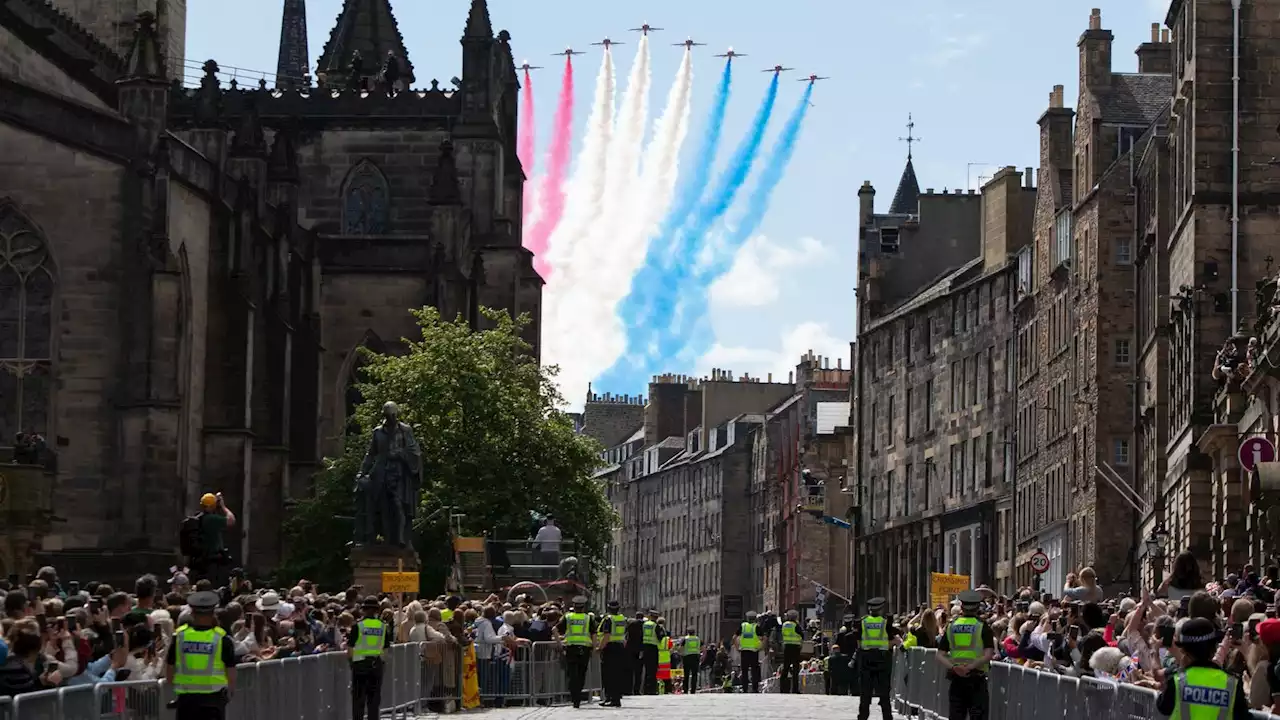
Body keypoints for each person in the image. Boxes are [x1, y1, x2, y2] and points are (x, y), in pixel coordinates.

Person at [1156, 616, 1252, 720]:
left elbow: (1163, 708)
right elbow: (1243, 716)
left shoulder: (1177, 680)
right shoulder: (1232, 683)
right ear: (1214, 647)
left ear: (1183, 650)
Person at [165, 591, 236, 720]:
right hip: (213, 701)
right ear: (213, 612)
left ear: (191, 613)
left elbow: (169, 671)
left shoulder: (179, 637)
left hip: (186, 702)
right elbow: (231, 674)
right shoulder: (222, 639)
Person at [936, 591, 996, 720]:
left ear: (962, 607)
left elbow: (940, 655)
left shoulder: (951, 626)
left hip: (956, 679)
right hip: (976, 679)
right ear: (978, 607)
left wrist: (954, 668)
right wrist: (969, 667)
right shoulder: (982, 626)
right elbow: (988, 654)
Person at [855, 597, 901, 720]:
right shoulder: (885, 623)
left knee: (865, 694)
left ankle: (863, 717)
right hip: (882, 660)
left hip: (866, 660)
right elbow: (894, 640)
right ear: (881, 609)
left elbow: (859, 643)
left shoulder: (862, 622)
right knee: (884, 694)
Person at [348, 596, 391, 720]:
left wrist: (351, 663)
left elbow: (350, 648)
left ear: (364, 610)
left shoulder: (358, 626)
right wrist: (382, 664)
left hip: (360, 665)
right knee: (374, 701)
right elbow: (386, 650)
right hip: (376, 665)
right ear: (377, 610)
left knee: (358, 700)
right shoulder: (383, 627)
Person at [559, 596, 594, 709]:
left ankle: (575, 698)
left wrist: (560, 643)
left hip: (571, 648)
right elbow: (593, 634)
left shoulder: (568, 617)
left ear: (573, 607)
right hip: (585, 648)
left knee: (572, 674)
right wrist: (594, 647)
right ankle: (578, 695)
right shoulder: (588, 618)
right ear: (583, 607)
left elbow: (555, 629)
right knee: (581, 674)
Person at [595, 600, 627, 707]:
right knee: (617, 674)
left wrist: (599, 648)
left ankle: (609, 698)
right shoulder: (622, 618)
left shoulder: (608, 619)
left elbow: (607, 636)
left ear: (608, 608)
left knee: (608, 675)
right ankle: (616, 698)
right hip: (620, 647)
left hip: (610, 648)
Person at [735, 610, 762, 693]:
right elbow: (764, 638)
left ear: (747, 618)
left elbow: (734, 637)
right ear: (755, 619)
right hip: (754, 651)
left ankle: (745, 689)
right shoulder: (756, 627)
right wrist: (761, 647)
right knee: (754, 670)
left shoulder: (743, 626)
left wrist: (737, 648)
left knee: (744, 670)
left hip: (744, 651)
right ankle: (755, 688)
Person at [779, 609, 803, 693]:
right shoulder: (796, 625)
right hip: (795, 648)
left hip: (786, 647)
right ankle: (795, 689)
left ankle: (783, 689)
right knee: (795, 669)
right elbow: (801, 635)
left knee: (785, 667)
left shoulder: (784, 624)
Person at [641, 610, 661, 695]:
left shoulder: (644, 625)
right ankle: (652, 689)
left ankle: (645, 689)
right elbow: (660, 636)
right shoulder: (656, 626)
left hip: (645, 647)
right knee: (653, 670)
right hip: (653, 648)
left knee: (646, 669)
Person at [680, 627, 700, 694]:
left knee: (686, 674)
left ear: (688, 632)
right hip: (695, 657)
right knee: (694, 674)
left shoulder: (685, 639)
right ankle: (693, 690)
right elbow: (703, 647)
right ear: (694, 632)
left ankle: (685, 690)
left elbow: (681, 648)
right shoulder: (697, 639)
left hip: (687, 657)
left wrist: (681, 654)